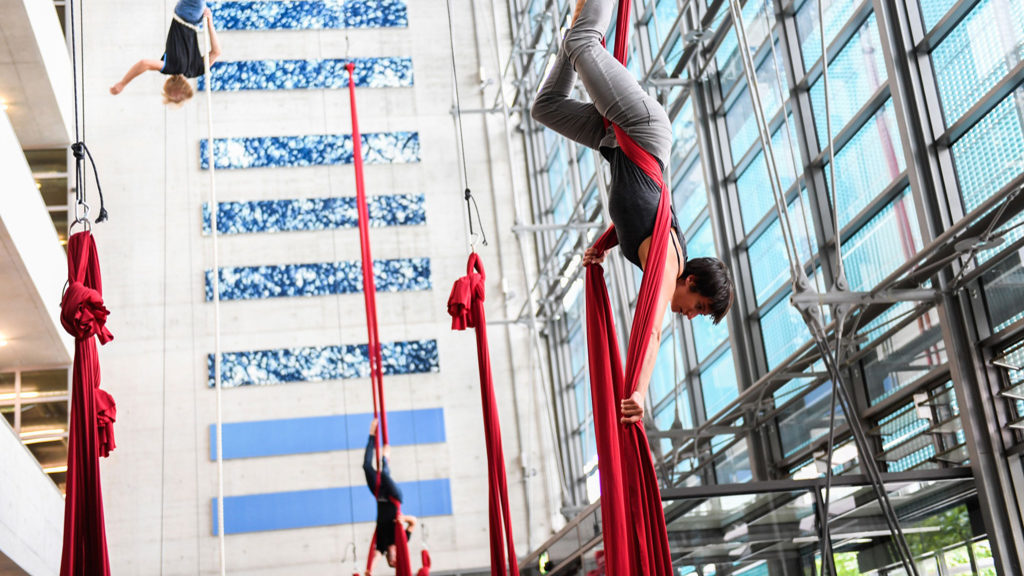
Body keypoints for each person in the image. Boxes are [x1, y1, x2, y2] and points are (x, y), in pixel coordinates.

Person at [531, 0, 734, 425]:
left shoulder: (655, 246)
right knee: (583, 43)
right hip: (641, 130)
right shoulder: (666, 266)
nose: (689, 315)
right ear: (692, 282)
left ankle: (577, 25)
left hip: (615, 140)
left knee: (546, 107)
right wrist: (639, 392)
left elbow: (629, 210)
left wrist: (602, 244)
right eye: (698, 307)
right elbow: (654, 331)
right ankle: (582, 23)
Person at [109, 0, 222, 106]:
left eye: (174, 97)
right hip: (192, 15)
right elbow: (216, 52)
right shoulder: (194, 70)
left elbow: (144, 63)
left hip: (189, 13)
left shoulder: (170, 67)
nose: (176, 95)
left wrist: (123, 83)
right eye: (179, 97)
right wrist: (210, 24)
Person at [364, 418, 418, 575]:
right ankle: (386, 457)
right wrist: (405, 519)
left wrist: (370, 570)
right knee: (384, 475)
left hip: (380, 496)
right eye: (396, 562)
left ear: (388, 559)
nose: (394, 561)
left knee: (366, 467)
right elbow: (414, 522)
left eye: (391, 563)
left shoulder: (382, 544)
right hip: (394, 497)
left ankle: (371, 435)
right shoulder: (402, 540)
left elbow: (377, 555)